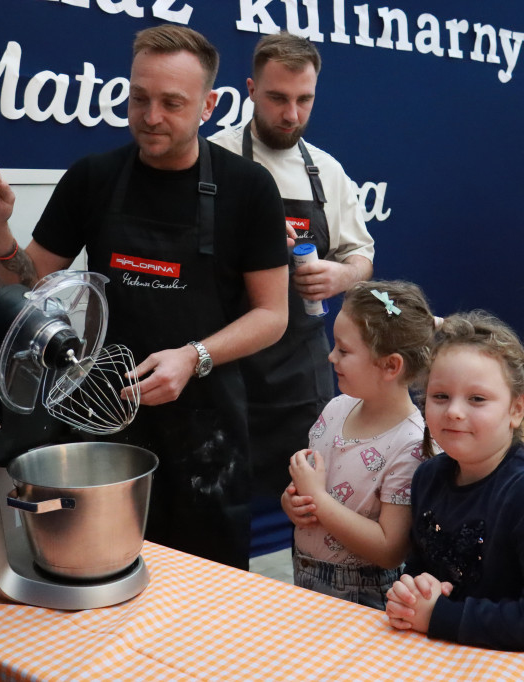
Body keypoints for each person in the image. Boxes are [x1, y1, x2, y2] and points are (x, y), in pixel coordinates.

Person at [0, 25, 290, 570]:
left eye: (171, 103)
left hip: (207, 431)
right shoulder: (93, 178)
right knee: (100, 571)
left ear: (207, 105)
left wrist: (193, 357)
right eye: (139, 98)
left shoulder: (248, 188)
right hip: (103, 416)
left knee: (205, 594)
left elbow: (272, 316)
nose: (150, 116)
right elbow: (28, 286)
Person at [209, 33, 375, 544]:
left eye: (304, 100)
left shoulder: (326, 171)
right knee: (220, 509)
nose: (291, 114)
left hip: (299, 373)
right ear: (251, 90)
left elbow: (362, 255)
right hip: (225, 363)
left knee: (307, 512)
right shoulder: (210, 159)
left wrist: (340, 275)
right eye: (278, 98)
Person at [385, 311, 524, 669]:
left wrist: (439, 616)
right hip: (452, 656)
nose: (454, 412)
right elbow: (421, 564)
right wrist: (412, 590)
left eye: (477, 399)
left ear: (516, 408)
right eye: (440, 396)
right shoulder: (428, 477)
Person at [280, 280, 434, 608]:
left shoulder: (409, 444)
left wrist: (318, 499)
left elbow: (390, 550)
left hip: (361, 595)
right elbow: (310, 487)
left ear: (391, 365)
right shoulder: (337, 408)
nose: (330, 356)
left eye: (344, 350)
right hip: (304, 575)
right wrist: (293, 502)